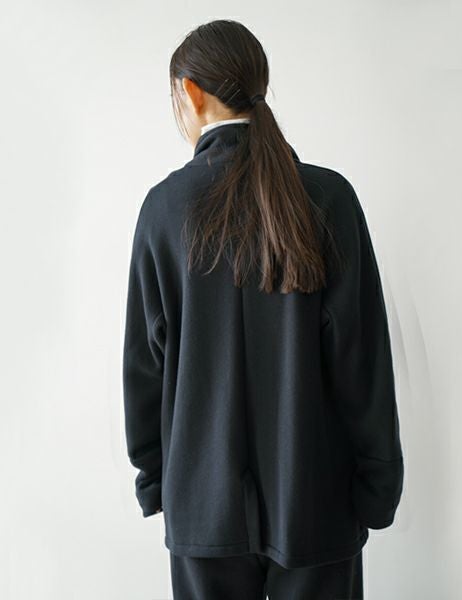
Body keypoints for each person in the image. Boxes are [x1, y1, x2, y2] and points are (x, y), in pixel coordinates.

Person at [122, 19, 404, 600]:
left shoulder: (163, 210)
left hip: (203, 509)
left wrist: (157, 478)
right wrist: (378, 485)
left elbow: (145, 365)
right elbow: (362, 359)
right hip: (317, 501)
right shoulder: (328, 198)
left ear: (190, 91)